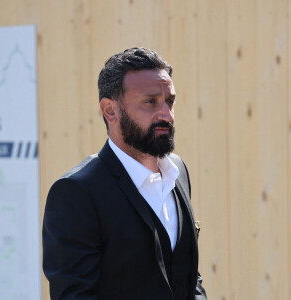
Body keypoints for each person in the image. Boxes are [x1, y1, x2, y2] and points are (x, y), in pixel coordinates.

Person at [43, 47, 207, 300]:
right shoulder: (76, 193)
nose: (166, 114)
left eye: (170, 101)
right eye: (150, 102)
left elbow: (188, 275)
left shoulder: (178, 172)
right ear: (110, 111)